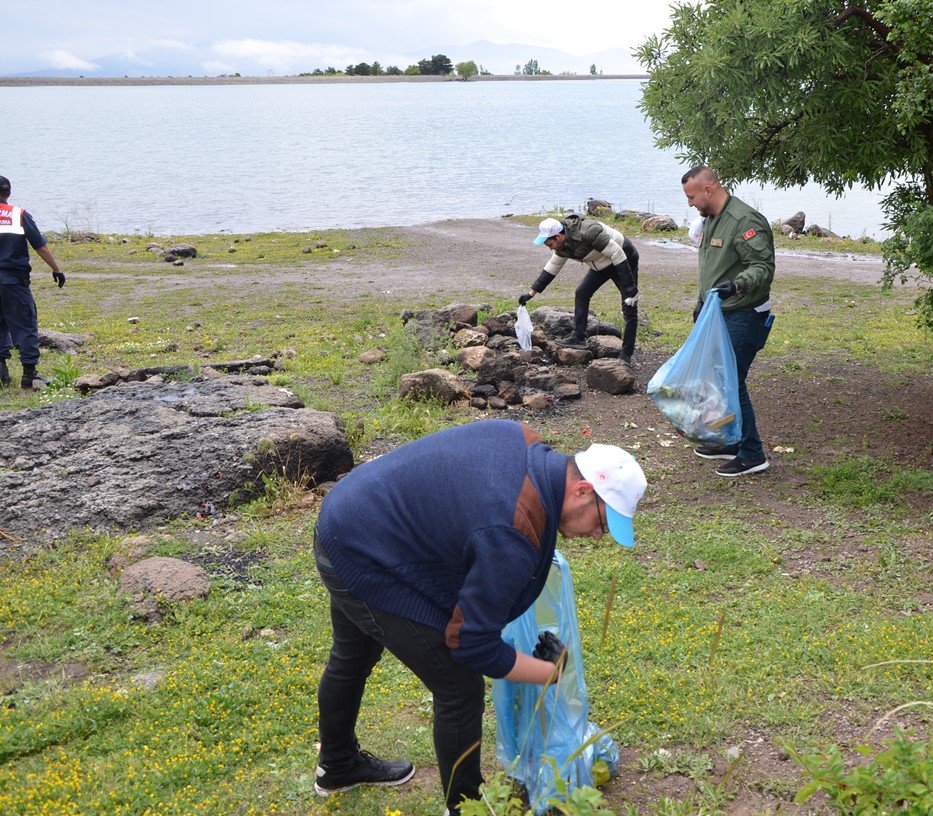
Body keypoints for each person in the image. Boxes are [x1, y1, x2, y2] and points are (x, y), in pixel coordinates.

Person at [312, 419, 647, 815]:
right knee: (458, 687)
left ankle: (337, 765)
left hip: (354, 512)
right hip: (362, 548)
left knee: (354, 655)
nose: (596, 537)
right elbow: (471, 645)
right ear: (583, 490)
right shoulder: (513, 529)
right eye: (603, 524)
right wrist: (547, 673)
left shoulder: (527, 441)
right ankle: (464, 808)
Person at [680, 165, 775, 477]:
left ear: (709, 189)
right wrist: (700, 305)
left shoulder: (744, 221)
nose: (690, 204)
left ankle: (752, 454)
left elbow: (762, 267)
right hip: (719, 314)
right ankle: (730, 440)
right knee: (720, 380)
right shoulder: (712, 220)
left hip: (745, 314)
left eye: (692, 197)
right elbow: (712, 271)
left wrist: (737, 285)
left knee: (731, 381)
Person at [518, 214, 640, 363]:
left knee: (629, 304)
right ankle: (579, 337)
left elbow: (617, 253)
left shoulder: (588, 232)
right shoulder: (563, 245)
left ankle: (626, 354)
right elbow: (553, 266)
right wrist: (531, 293)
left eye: (549, 244)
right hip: (600, 263)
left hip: (623, 258)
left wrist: (630, 287)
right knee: (581, 293)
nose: (550, 249)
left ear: (558, 236)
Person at [0, 175, 65, 389]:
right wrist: (56, 269)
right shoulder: (18, 215)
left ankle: (2, 373)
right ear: (8, 193)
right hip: (13, 281)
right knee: (25, 324)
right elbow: (40, 246)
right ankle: (30, 375)